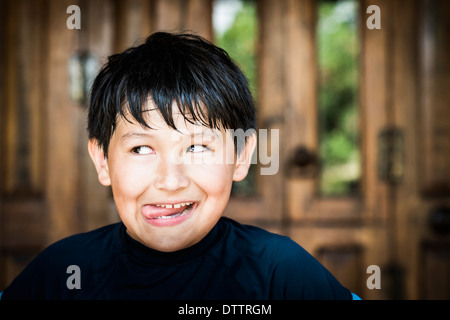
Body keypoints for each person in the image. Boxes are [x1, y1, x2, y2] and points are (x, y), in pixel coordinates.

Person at [1, 32, 355, 300]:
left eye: (198, 147)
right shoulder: (62, 271)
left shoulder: (282, 272)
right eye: (141, 148)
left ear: (242, 156)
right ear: (102, 161)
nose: (170, 181)